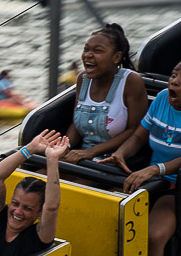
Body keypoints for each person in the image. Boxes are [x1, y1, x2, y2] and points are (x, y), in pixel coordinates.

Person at [120, 59, 181, 256]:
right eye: (174, 75)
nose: (175, 82)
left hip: (174, 187)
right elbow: (138, 136)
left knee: (153, 236)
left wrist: (156, 170)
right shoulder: (163, 99)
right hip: (150, 180)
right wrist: (121, 153)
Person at [63, 24, 148, 165]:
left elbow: (135, 131)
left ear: (116, 57)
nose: (88, 55)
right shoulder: (82, 79)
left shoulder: (131, 81)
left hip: (114, 162)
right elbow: (76, 125)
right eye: (86, 49)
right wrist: (64, 147)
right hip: (82, 158)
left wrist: (92, 152)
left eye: (97, 51)